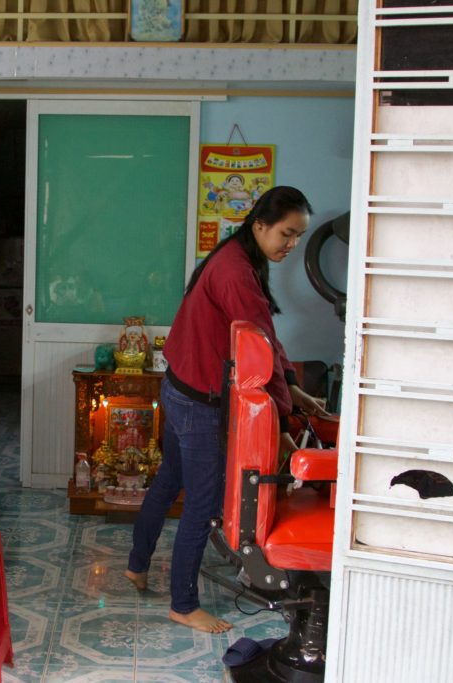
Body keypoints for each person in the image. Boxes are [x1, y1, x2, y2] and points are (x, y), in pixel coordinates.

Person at [125, 186, 328, 634]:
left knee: (169, 480)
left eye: (298, 237)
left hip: (179, 386)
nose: (291, 245)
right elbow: (259, 345)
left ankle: (136, 565)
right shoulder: (236, 271)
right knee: (203, 502)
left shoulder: (238, 255)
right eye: (287, 234)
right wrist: (281, 418)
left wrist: (292, 386)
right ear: (260, 224)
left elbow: (265, 338)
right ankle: (183, 603)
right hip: (198, 401)